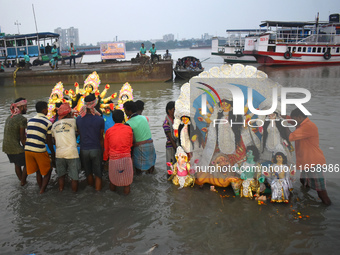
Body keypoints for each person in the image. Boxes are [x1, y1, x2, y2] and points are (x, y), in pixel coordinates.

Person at [289, 108, 331, 205]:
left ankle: (329, 209)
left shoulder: (308, 126)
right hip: (306, 162)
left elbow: (290, 137)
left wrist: (282, 126)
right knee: (303, 182)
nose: (293, 122)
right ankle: (306, 200)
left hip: (313, 162)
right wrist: (281, 117)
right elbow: (291, 120)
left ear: (299, 117)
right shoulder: (301, 123)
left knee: (321, 192)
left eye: (294, 119)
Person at [24, 101, 55, 194]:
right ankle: (42, 190)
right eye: (47, 108)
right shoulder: (48, 122)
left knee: (38, 170)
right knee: (48, 170)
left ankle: (40, 187)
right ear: (44, 109)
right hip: (38, 149)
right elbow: (49, 141)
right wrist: (53, 153)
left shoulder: (30, 120)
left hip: (28, 149)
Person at [76, 94, 105, 191]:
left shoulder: (79, 119)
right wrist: (103, 152)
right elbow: (101, 137)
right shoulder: (100, 119)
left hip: (84, 149)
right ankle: (98, 195)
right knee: (98, 174)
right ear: (94, 104)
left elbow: (79, 133)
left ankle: (91, 190)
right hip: (96, 149)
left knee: (88, 173)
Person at [103, 109, 133, 194]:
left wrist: (105, 159)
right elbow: (130, 144)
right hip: (126, 158)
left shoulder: (109, 131)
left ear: (113, 119)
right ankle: (127, 200)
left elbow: (106, 148)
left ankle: (112, 198)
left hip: (113, 159)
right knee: (127, 183)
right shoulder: (129, 129)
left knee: (112, 181)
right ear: (123, 118)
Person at [52, 103, 80, 192]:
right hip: (72, 153)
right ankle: (74, 194)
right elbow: (79, 132)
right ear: (68, 114)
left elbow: (54, 140)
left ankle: (61, 190)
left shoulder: (54, 125)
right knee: (74, 177)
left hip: (59, 153)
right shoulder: (73, 121)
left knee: (61, 176)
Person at [124, 101, 156, 174]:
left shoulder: (128, 123)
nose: (125, 112)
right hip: (151, 145)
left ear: (129, 111)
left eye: (125, 110)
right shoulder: (144, 118)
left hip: (140, 148)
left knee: (139, 170)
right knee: (151, 168)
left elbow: (131, 140)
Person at [2, 98, 28, 186]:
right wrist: (28, 149)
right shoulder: (21, 119)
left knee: (17, 164)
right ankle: (23, 182)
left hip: (6, 147)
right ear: (21, 107)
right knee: (28, 163)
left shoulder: (9, 117)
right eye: (26, 106)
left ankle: (22, 182)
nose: (27, 108)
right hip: (15, 147)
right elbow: (22, 138)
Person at [163, 101, 177, 171]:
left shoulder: (175, 120)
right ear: (169, 110)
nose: (175, 111)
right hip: (171, 146)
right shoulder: (166, 123)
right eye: (174, 109)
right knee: (171, 167)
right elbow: (171, 139)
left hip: (176, 144)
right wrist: (177, 149)